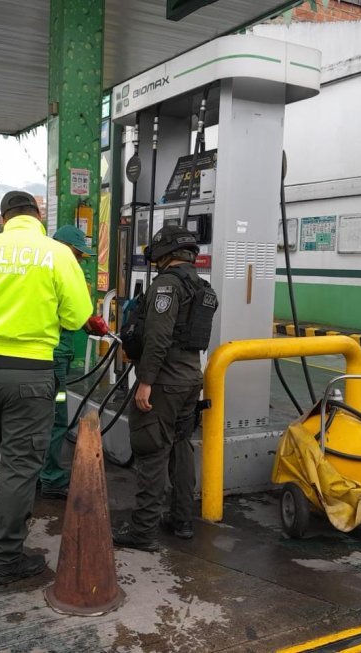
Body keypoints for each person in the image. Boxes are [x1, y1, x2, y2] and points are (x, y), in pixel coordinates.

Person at [0, 191, 94, 585]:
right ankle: (6, 559)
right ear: (38, 216)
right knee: (19, 467)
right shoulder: (57, 254)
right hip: (31, 373)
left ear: (4, 217)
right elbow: (78, 316)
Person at [114, 225, 217, 551]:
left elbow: (158, 339)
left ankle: (142, 531)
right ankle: (182, 521)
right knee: (181, 447)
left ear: (163, 254)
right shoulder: (203, 288)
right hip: (190, 380)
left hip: (165, 383)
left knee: (152, 452)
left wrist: (145, 383)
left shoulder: (167, 287)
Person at [38, 225, 95, 500]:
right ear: (65, 248)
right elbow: (77, 315)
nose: (80, 261)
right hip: (55, 359)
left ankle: (34, 475)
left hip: (33, 357)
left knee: (33, 419)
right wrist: (92, 323)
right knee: (57, 419)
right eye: (78, 254)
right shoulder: (62, 273)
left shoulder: (37, 270)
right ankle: (50, 477)